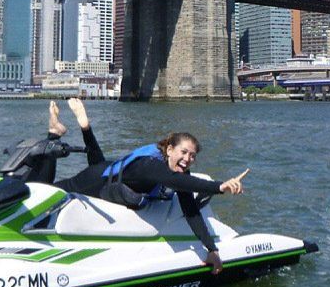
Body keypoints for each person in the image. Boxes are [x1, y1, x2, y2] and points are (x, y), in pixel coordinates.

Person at [50, 98, 248, 275]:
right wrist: (220, 186)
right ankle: (54, 133)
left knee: (102, 168)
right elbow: (176, 182)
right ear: (170, 149)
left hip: (110, 173)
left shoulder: (177, 171)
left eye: (192, 155)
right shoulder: (150, 166)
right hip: (95, 181)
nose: (188, 159)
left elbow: (190, 211)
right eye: (184, 152)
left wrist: (211, 249)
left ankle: (85, 126)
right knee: (44, 189)